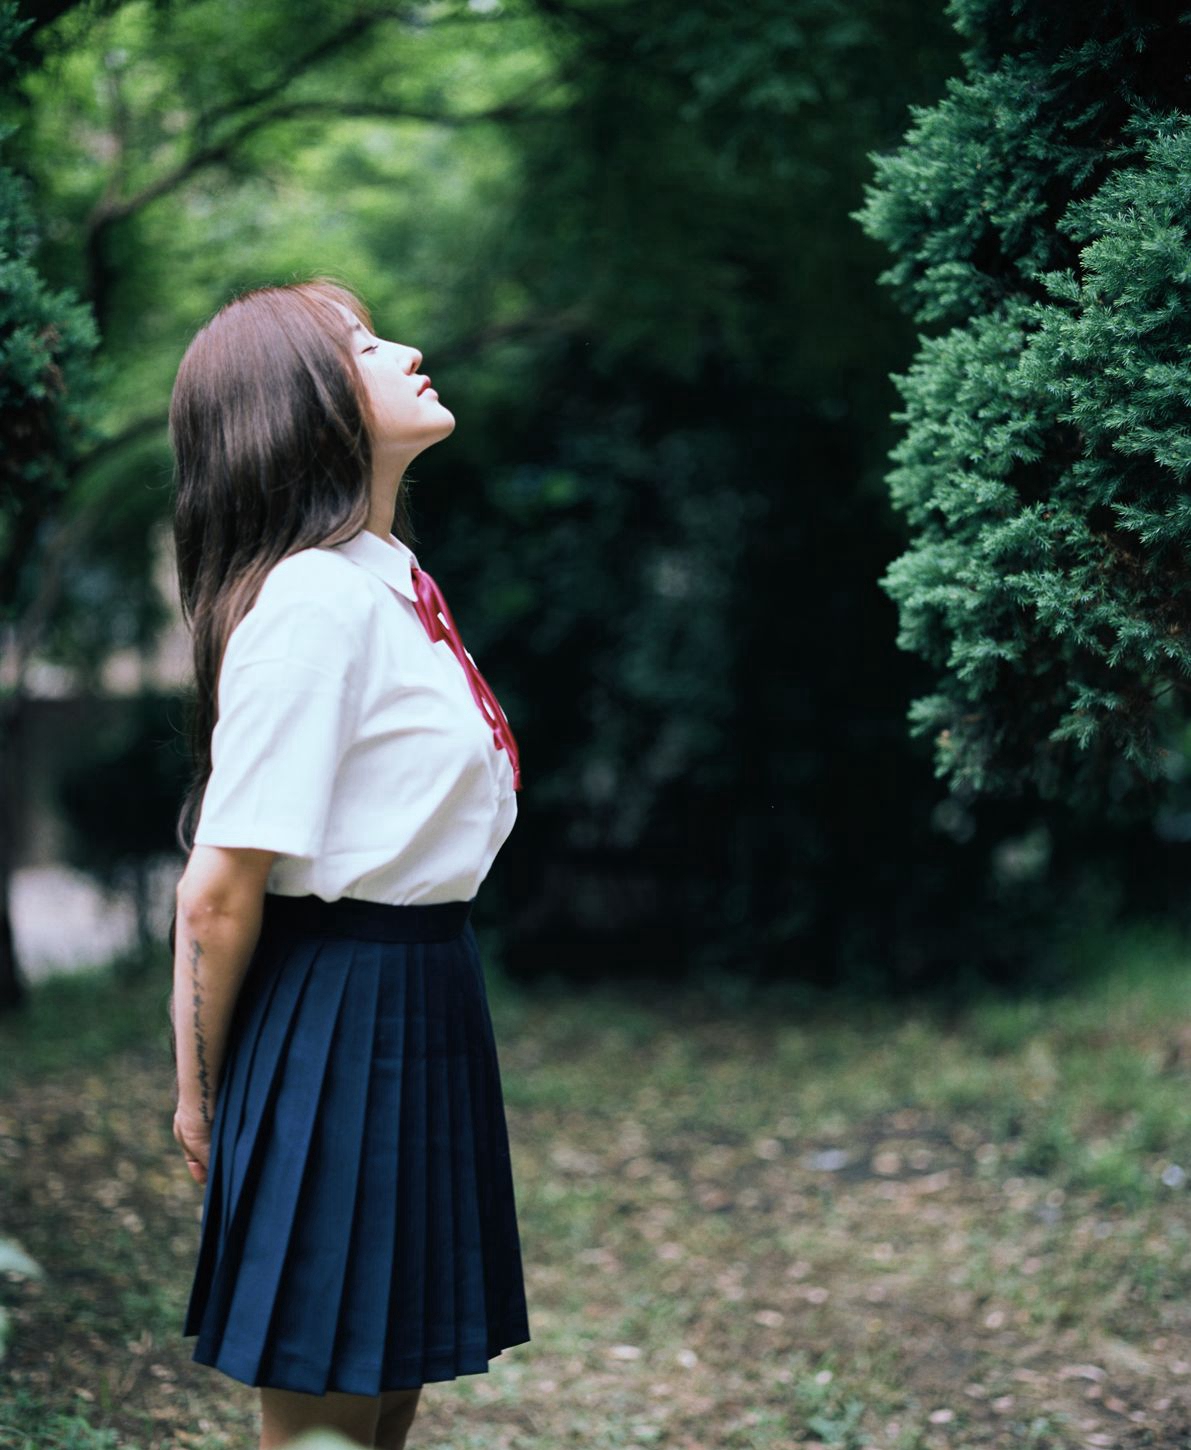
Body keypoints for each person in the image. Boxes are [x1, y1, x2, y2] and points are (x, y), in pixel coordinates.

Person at [167, 276, 531, 1450]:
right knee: (328, 1399)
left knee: (385, 1394)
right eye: (368, 344)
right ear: (306, 404)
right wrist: (203, 1098)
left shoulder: (391, 580)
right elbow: (218, 894)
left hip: (424, 989)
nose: (411, 349)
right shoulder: (312, 600)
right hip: (339, 1009)